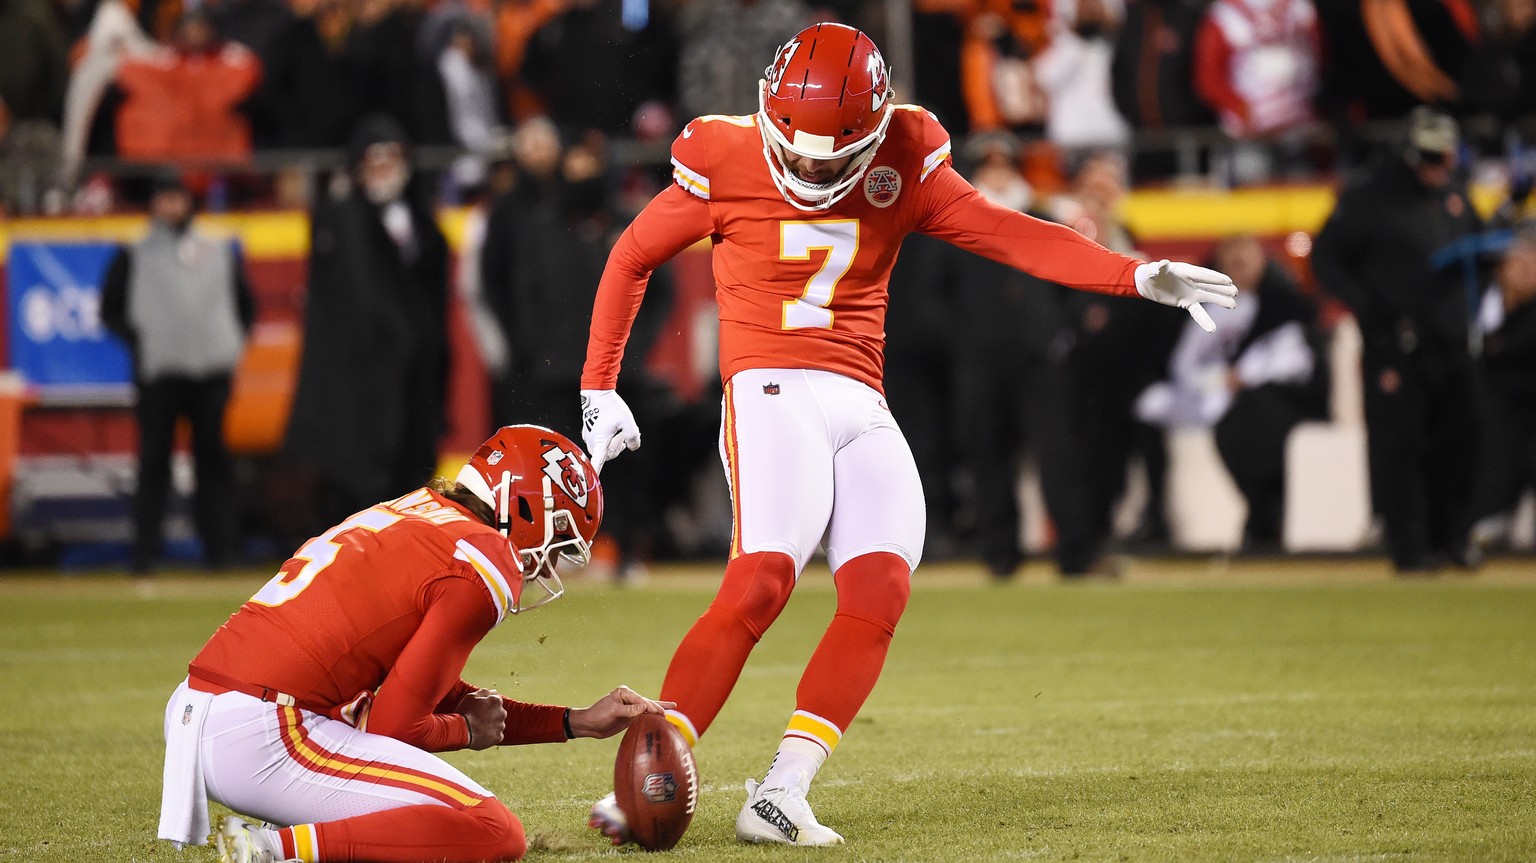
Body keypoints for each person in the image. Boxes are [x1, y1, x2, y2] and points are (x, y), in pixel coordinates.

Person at [579, 22, 1236, 847]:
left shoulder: (905, 154)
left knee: (882, 585)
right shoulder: (725, 155)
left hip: (861, 395)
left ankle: (782, 791)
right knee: (762, 580)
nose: (812, 167)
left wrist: (1133, 273)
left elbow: (1012, 234)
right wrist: (597, 386)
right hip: (769, 384)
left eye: (831, 155)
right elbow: (631, 254)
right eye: (799, 148)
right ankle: (645, 778)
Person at [158, 424, 671, 863]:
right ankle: (272, 851)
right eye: (558, 537)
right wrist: (466, 731)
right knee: (494, 831)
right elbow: (396, 725)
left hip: (199, 711)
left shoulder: (419, 510)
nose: (551, 564)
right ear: (524, 506)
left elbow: (413, 682)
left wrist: (574, 721)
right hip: (265, 734)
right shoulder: (484, 558)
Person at [1311, 106, 1483, 573]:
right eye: (1432, 157)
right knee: (1400, 447)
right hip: (1395, 342)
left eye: (1448, 157)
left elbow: (1479, 246)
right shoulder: (1369, 198)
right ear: (1408, 155)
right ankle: (1409, 549)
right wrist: (1370, 307)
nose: (1441, 166)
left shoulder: (1454, 194)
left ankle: (1452, 538)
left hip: (1450, 339)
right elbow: (1326, 258)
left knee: (1460, 439)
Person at [284, 116, 450, 533]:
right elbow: (359, 297)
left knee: (410, 476)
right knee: (359, 484)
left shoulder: (417, 217)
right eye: (373, 158)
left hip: (411, 374)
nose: (382, 167)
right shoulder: (343, 216)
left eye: (391, 156)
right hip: (359, 376)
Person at [102, 169, 255, 574]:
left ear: (190, 202)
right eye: (163, 198)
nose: (170, 206)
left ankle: (222, 553)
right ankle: (145, 556)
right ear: (152, 203)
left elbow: (245, 305)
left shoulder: (217, 248)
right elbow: (110, 310)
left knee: (214, 462)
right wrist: (145, 342)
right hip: (159, 375)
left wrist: (229, 345)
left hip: (211, 374)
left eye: (176, 198)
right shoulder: (134, 251)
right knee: (153, 461)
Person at [1136, 234, 1328, 549]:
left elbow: (1296, 361)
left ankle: (1264, 512)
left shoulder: (1284, 306)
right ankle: (1157, 514)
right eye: (1231, 259)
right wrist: (1213, 380)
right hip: (1204, 394)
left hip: (1267, 400)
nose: (1238, 266)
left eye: (1245, 258)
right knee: (1146, 407)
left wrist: (1244, 377)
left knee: (1255, 421)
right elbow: (1180, 362)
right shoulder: (1196, 308)